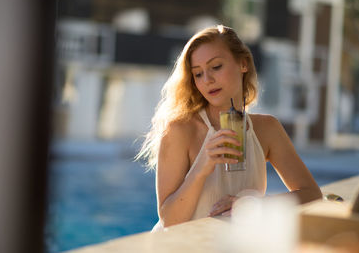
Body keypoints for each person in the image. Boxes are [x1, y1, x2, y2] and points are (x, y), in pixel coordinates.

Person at [137, 25, 322, 230]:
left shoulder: (267, 129)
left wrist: (256, 204)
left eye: (216, 67)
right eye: (198, 74)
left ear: (243, 63)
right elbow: (169, 221)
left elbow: (312, 194)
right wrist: (201, 167)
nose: (207, 80)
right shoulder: (180, 130)